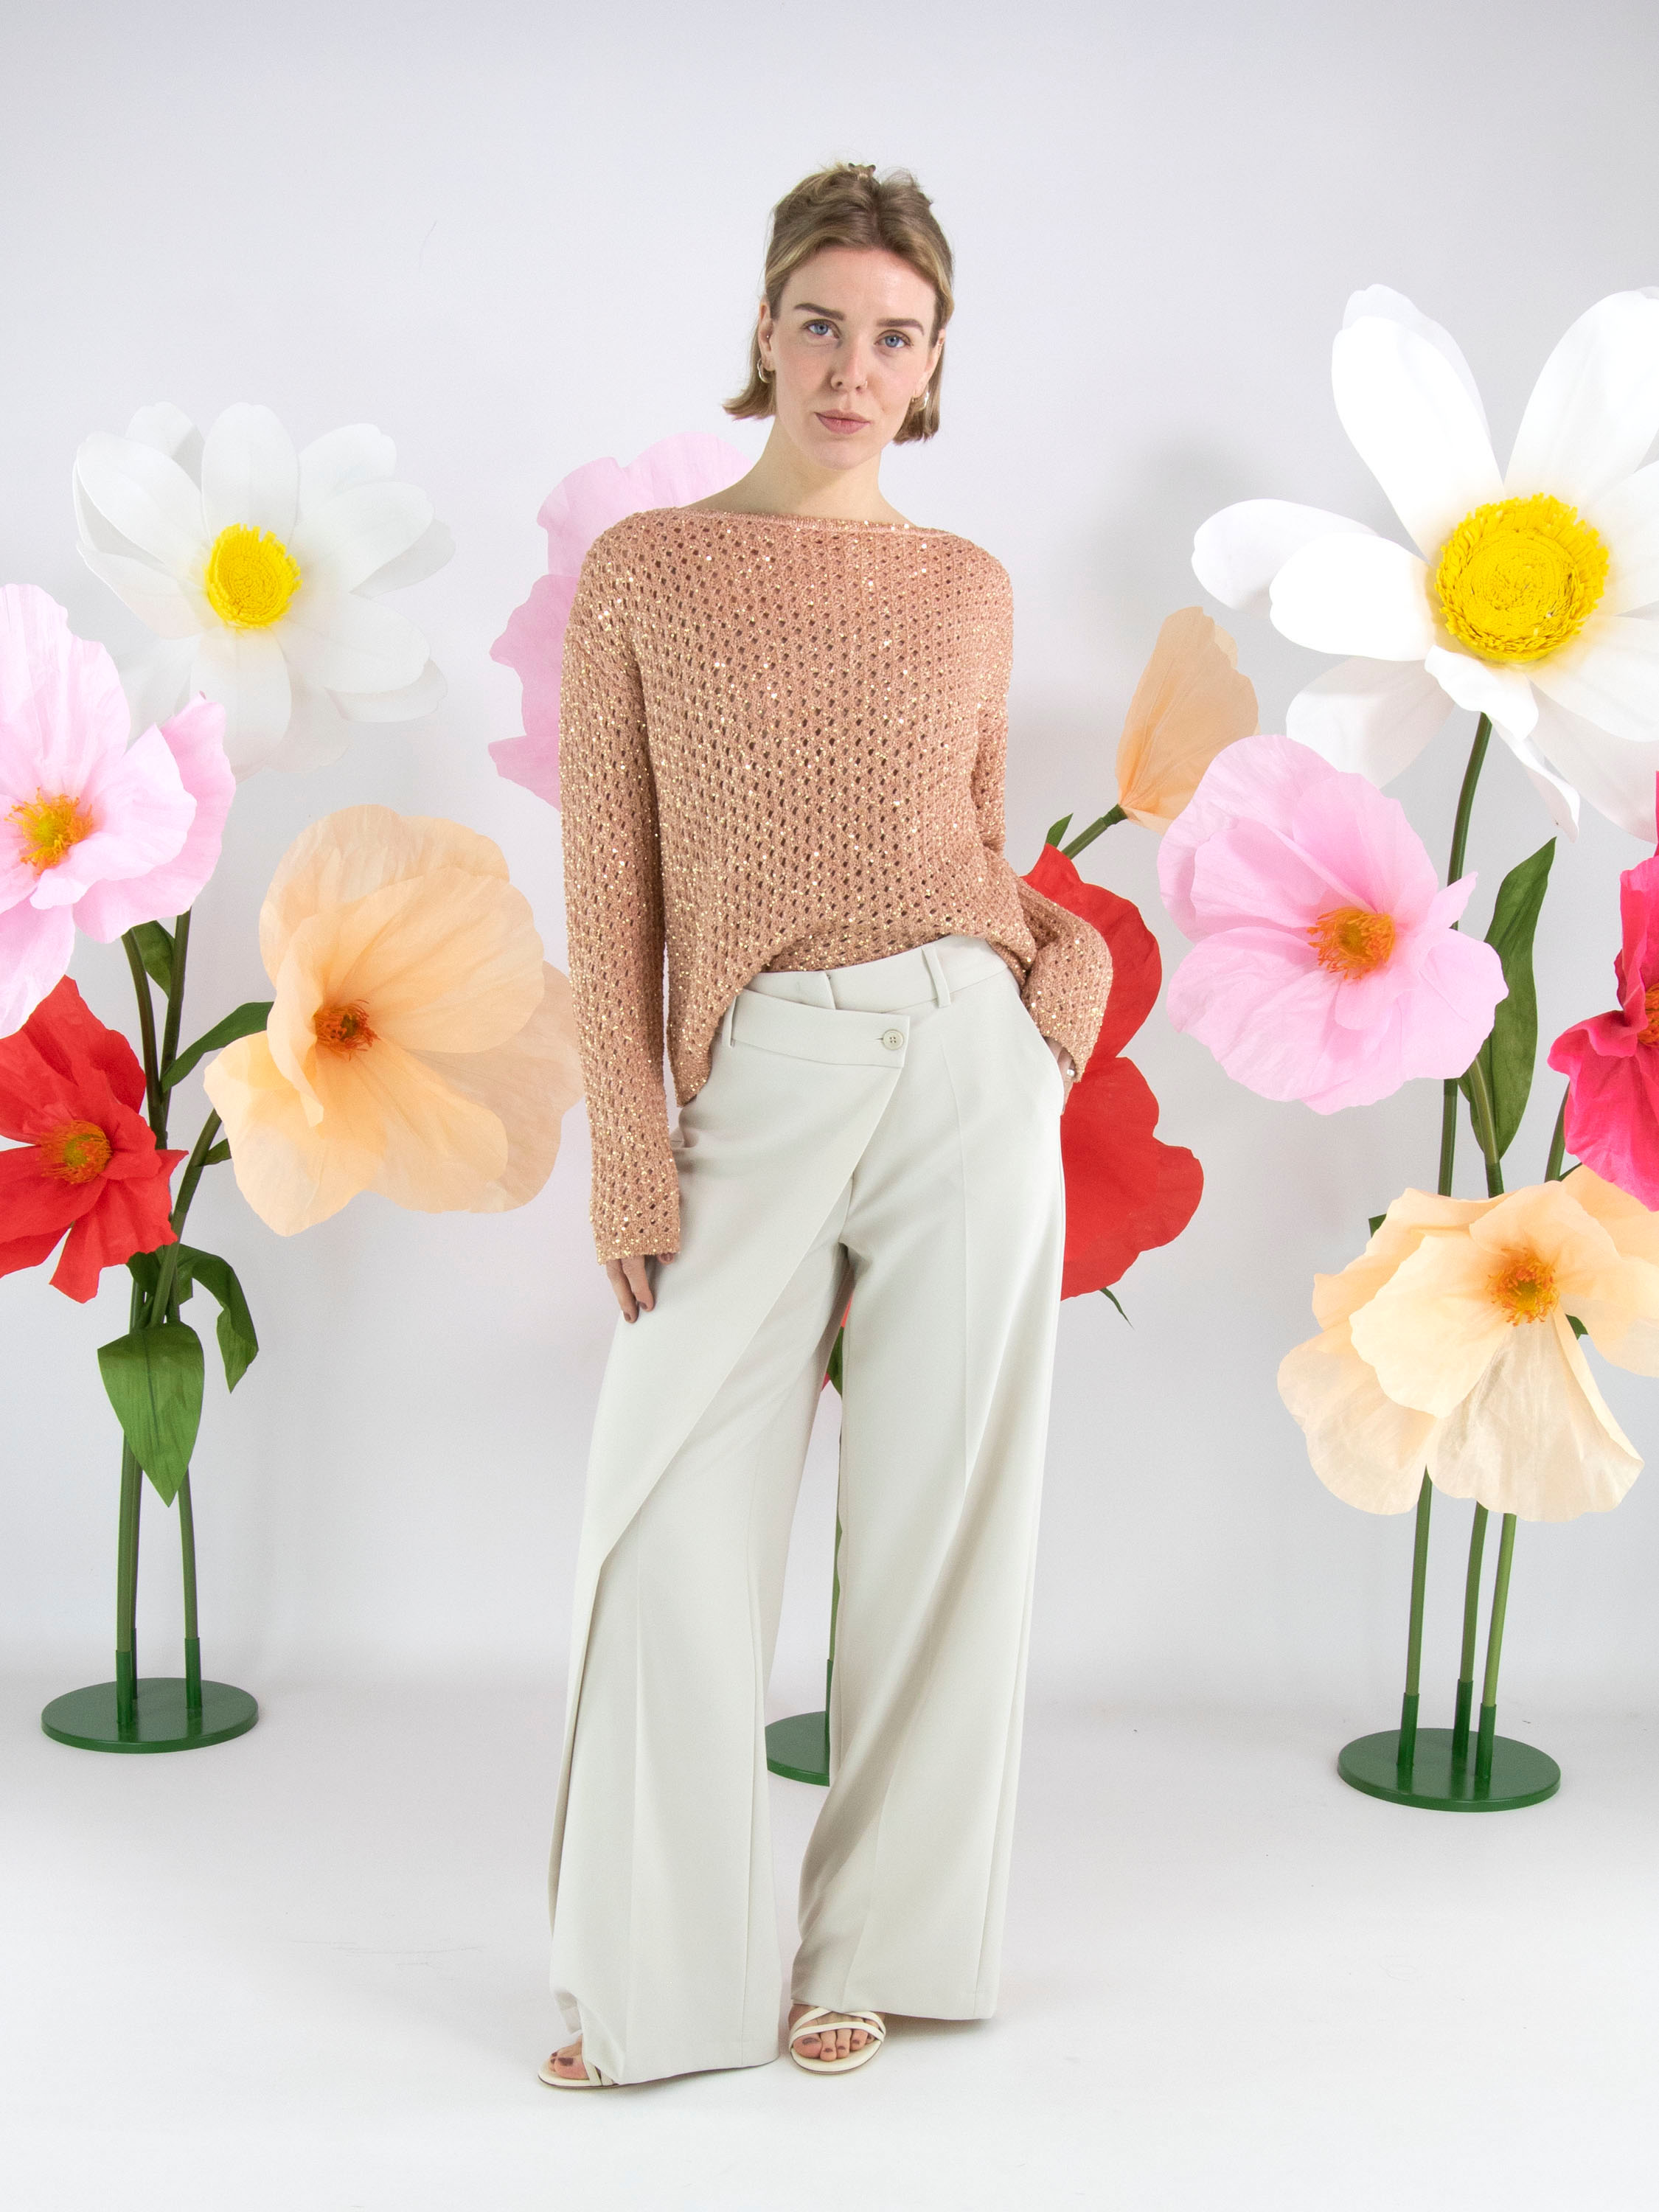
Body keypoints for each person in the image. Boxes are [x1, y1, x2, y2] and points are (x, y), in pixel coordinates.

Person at [541, 159, 1111, 2088]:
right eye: (821, 324)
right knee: (665, 1519)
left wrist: (1045, 1011)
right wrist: (628, 1147)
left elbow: (972, 839)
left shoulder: (967, 589)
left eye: (895, 336)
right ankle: (654, 1982)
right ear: (764, 334)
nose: (852, 369)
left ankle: (883, 1946)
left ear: (934, 364)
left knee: (945, 1521)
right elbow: (610, 889)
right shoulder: (649, 571)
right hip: (761, 1072)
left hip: (968, 1063)